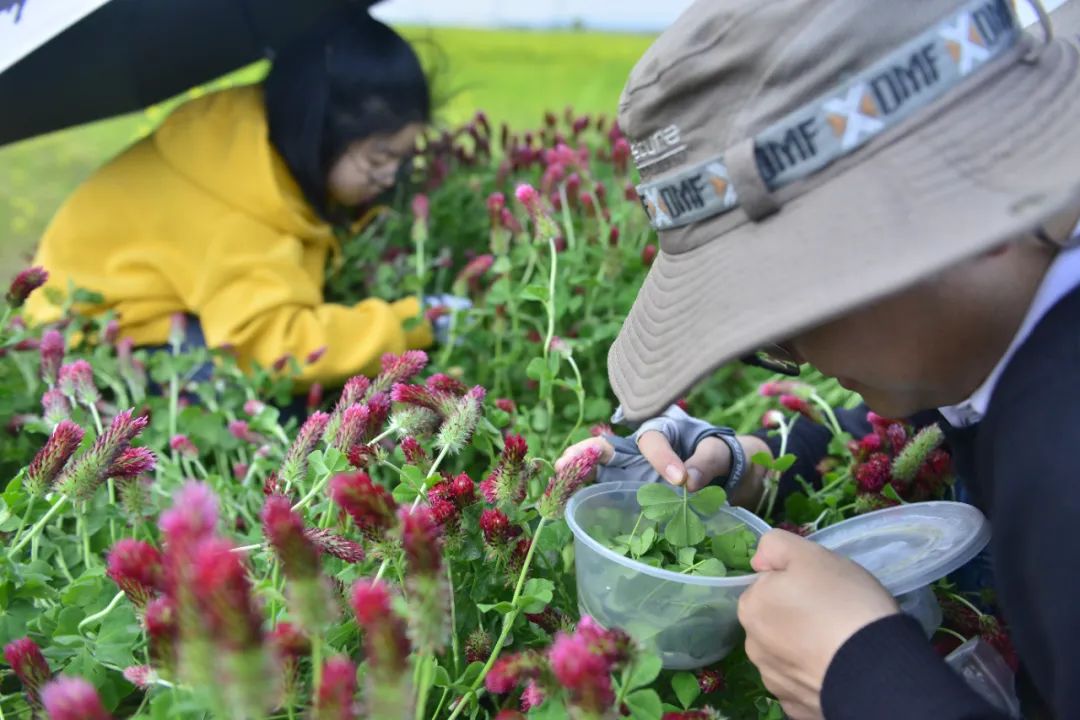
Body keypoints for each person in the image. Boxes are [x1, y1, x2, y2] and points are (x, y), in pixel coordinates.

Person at [558, 0, 1080, 717]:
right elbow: (934, 408)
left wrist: (866, 676)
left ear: (952, 211)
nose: (791, 354)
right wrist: (751, 467)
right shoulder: (1013, 336)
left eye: (784, 317)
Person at [24, 7, 458, 388]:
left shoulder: (248, 136)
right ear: (317, 134)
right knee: (267, 400)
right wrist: (412, 323)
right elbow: (277, 349)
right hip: (82, 346)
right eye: (379, 158)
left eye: (402, 159)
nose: (390, 176)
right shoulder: (232, 204)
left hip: (125, 314)